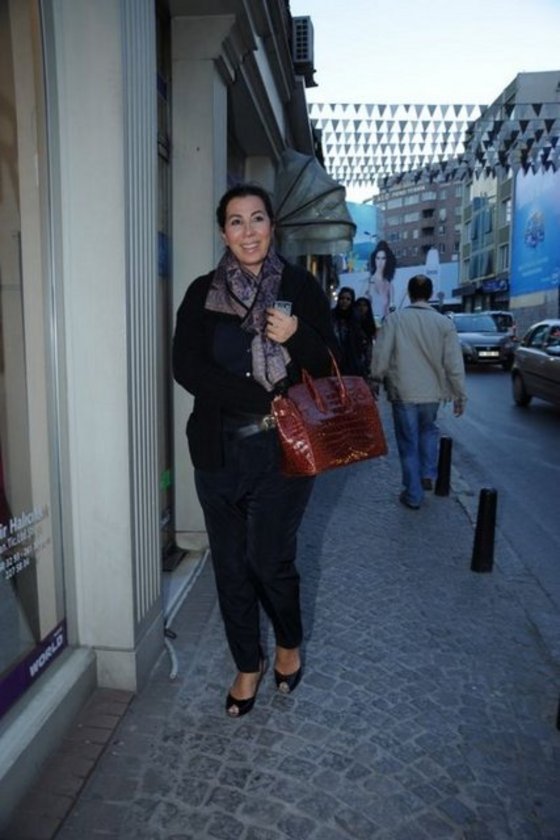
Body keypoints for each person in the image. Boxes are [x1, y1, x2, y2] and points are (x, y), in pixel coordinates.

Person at [172, 183, 339, 718]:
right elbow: (186, 367)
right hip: (218, 451)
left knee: (269, 561)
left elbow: (335, 365)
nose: (248, 231)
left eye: (258, 218)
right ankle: (248, 663)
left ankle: (287, 641)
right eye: (236, 221)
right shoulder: (202, 293)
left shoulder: (299, 287)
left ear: (272, 226)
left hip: (283, 451)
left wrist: (297, 335)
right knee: (230, 566)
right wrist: (261, 397)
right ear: (224, 233)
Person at [371, 274, 467, 510]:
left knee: (408, 442)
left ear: (410, 293)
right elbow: (454, 363)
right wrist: (459, 394)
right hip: (432, 393)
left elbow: (382, 353)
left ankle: (413, 494)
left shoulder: (395, 319)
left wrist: (375, 378)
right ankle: (427, 472)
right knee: (428, 431)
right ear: (431, 294)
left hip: (404, 391)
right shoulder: (444, 323)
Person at [331, 286, 367, 375]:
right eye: (342, 298)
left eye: (348, 299)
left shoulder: (355, 319)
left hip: (351, 362)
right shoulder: (331, 316)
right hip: (333, 359)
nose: (344, 301)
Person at [367, 240, 397, 322]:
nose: (380, 262)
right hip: (369, 325)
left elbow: (391, 310)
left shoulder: (389, 286)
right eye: (378, 258)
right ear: (374, 259)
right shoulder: (368, 282)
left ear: (388, 261)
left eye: (383, 258)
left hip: (384, 325)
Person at [355, 296, 377, 377]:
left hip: (366, 353)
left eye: (364, 305)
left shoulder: (370, 322)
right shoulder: (352, 322)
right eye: (359, 305)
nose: (362, 308)